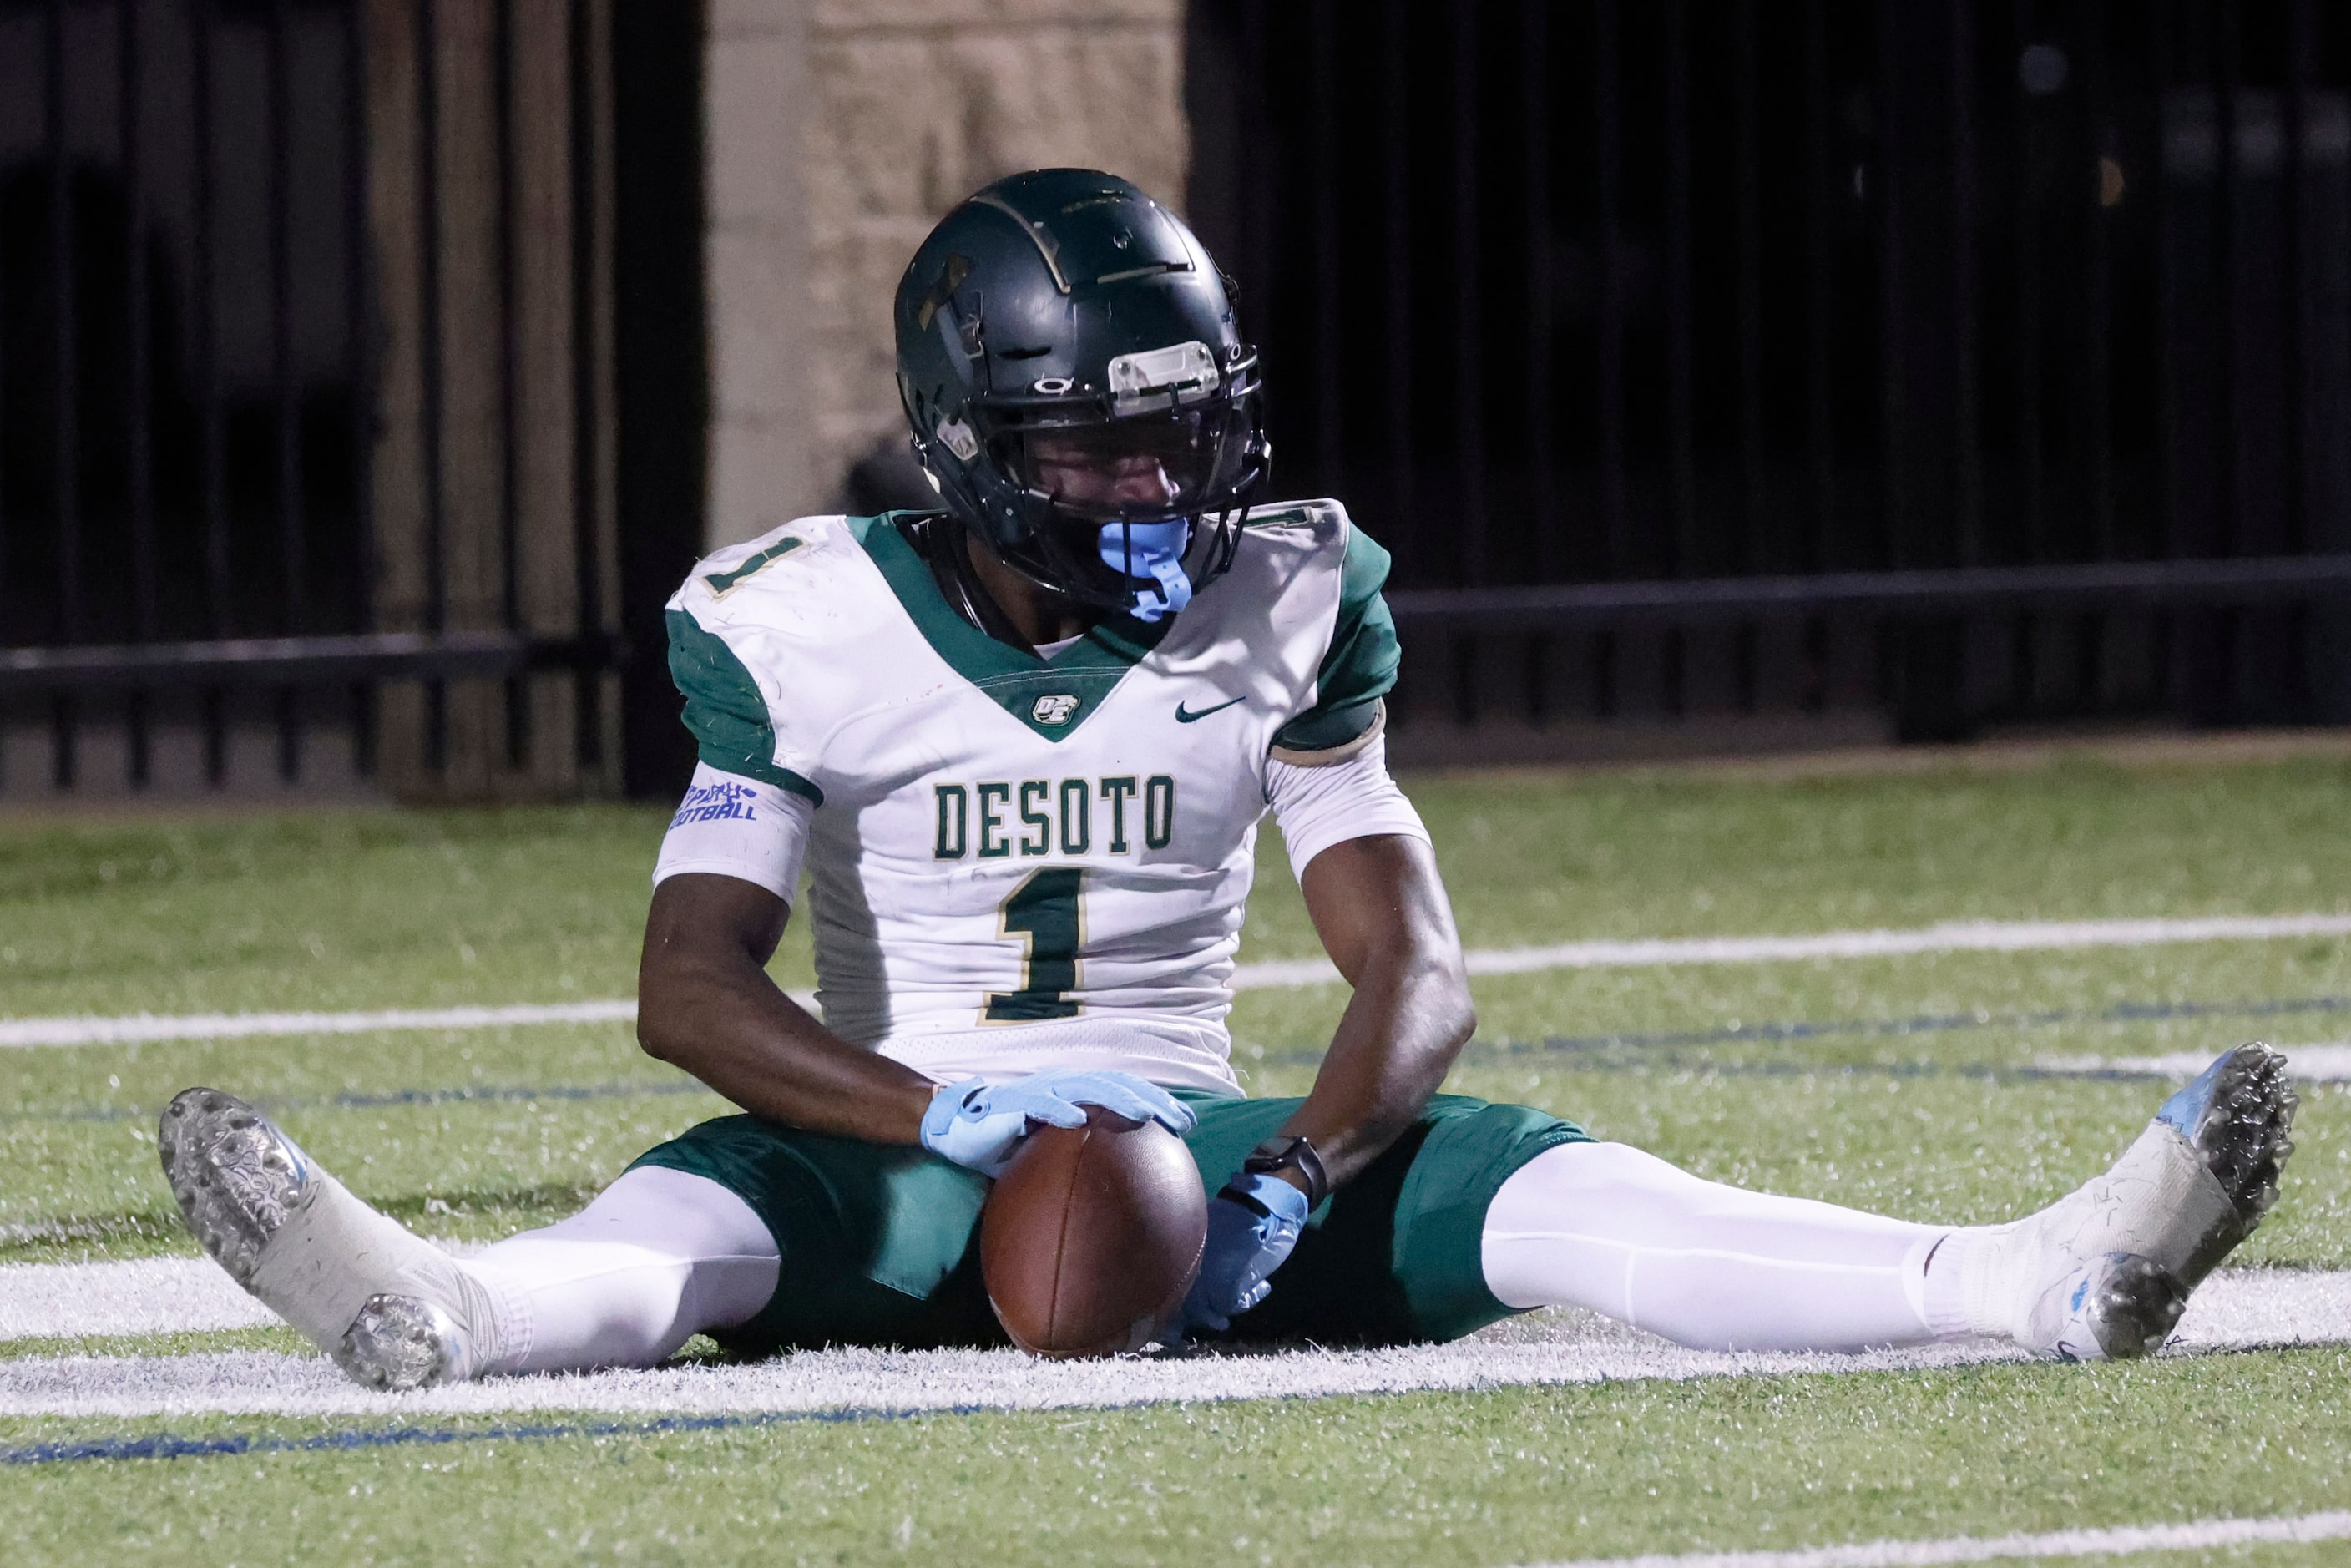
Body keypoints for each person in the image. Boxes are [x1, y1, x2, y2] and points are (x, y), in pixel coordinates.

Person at [159, 170, 2296, 1390]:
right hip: (906, 1152)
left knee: (1561, 1189)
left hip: (1198, 1144)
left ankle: (2032, 1278)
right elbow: (690, 990)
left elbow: (1416, 974)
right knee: (689, 1217)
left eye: (1182, 433)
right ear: (969, 435)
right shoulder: (795, 613)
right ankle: (441, 1309)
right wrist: (938, 1113)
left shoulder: (1288, 593)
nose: (1159, 485)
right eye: (1099, 444)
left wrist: (1295, 1175)